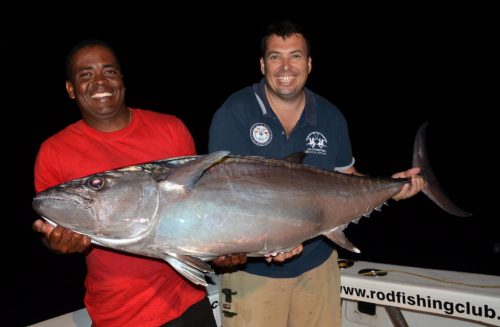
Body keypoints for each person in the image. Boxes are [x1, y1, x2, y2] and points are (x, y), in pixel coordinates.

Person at [208, 20, 425, 326]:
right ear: (262, 64)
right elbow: (222, 199)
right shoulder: (234, 114)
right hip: (252, 275)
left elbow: (347, 178)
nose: (286, 66)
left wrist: (393, 186)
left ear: (309, 64)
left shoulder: (330, 116)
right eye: (275, 57)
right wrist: (270, 241)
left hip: (318, 264)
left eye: (295, 56)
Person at [32, 39, 221, 327]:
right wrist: (56, 243)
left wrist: (224, 249)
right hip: (116, 312)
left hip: (186, 301)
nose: (99, 82)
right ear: (71, 89)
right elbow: (52, 230)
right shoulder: (54, 152)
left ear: (122, 80)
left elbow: (200, 210)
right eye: (86, 74)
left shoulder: (170, 130)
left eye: (109, 72)